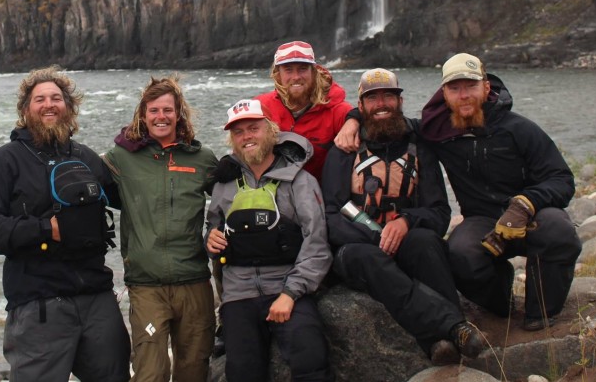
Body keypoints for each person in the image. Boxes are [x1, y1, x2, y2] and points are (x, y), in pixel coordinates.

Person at [0, 66, 130, 382]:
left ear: (68, 106)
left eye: (56, 98)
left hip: (96, 298)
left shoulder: (86, 158)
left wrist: (143, 142)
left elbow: (129, 196)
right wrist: (45, 230)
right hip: (38, 304)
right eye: (40, 99)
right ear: (26, 109)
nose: (49, 104)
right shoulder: (5, 161)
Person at [322, 68, 483, 364]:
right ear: (360, 106)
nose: (381, 104)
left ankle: (441, 344)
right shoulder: (344, 150)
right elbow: (330, 216)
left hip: (404, 239)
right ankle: (453, 327)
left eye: (388, 96)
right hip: (356, 249)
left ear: (400, 101)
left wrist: (406, 220)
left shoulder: (420, 147)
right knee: (370, 259)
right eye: (372, 98)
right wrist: (375, 236)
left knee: (425, 243)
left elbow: (439, 212)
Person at [418, 53, 582, 331]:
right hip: (482, 222)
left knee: (559, 231)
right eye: (454, 88)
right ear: (444, 94)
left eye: (470, 86)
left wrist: (526, 203)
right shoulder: (437, 133)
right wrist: (351, 119)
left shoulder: (520, 129)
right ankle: (501, 300)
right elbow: (388, 123)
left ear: (486, 87)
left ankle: (540, 311)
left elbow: (562, 179)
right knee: (459, 254)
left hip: (532, 216)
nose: (464, 95)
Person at [101, 76, 218, 382]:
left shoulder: (202, 158)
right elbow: (84, 184)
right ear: (143, 115)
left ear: (179, 114)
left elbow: (227, 200)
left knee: (193, 371)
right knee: (149, 373)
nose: (161, 116)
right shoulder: (121, 157)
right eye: (153, 110)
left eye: (167, 109)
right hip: (146, 284)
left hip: (194, 280)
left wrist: (216, 231)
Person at [206, 99, 331, 382]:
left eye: (254, 128)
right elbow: (213, 227)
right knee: (242, 372)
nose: (246, 137)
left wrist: (290, 294)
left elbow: (317, 243)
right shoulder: (224, 184)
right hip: (239, 295)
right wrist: (209, 239)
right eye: (238, 132)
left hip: (288, 289)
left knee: (311, 357)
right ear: (232, 140)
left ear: (272, 131)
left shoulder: (299, 181)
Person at [255, 40, 352, 184]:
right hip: (271, 196)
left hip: (321, 198)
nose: (296, 76)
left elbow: (370, 123)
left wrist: (354, 120)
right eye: (288, 69)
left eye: (302, 69)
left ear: (314, 72)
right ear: (277, 74)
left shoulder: (337, 110)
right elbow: (241, 139)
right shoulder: (261, 107)